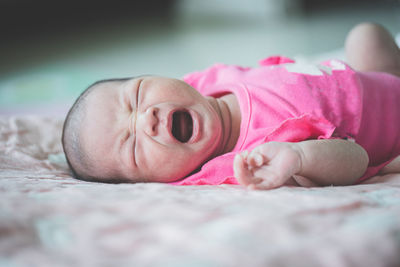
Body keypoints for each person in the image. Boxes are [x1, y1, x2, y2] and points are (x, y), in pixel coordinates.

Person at [62, 22, 400, 190]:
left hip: (371, 78)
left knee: (365, 35)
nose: (146, 119)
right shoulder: (249, 161)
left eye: (137, 95)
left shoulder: (204, 83)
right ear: (157, 183)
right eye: (133, 146)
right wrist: (299, 158)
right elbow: (357, 160)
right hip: (391, 132)